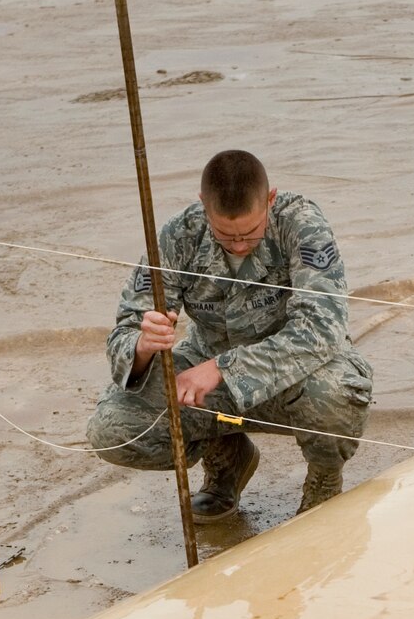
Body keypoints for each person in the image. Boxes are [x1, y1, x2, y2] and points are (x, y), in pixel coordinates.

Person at [86, 149, 374, 521]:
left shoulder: (301, 224)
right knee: (112, 429)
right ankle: (227, 458)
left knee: (338, 393)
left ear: (270, 200)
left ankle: (323, 482)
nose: (238, 244)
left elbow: (321, 331)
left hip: (291, 376)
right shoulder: (180, 236)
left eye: (250, 233)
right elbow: (125, 330)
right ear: (203, 204)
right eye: (225, 234)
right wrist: (142, 346)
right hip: (207, 384)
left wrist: (223, 368)